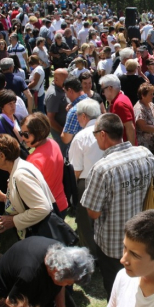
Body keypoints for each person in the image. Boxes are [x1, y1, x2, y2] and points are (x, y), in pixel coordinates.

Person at [80, 113, 154, 299]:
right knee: (142, 291)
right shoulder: (146, 155)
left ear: (102, 134)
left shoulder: (102, 169)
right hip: (144, 239)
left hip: (114, 247)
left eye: (94, 134)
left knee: (117, 293)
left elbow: (92, 212)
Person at [0, 237, 94, 307]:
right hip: (4, 296)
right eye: (69, 282)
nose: (70, 285)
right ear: (56, 271)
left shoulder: (61, 254)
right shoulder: (29, 276)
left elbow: (59, 287)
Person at [0, 134, 56, 240]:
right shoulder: (18, 169)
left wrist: (13, 221)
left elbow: (42, 208)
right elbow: (26, 201)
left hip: (39, 237)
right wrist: (5, 198)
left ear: (1, 155)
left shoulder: (21, 176)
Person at [68, 99, 103, 256]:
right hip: (109, 178)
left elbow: (76, 170)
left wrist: (73, 192)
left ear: (84, 116)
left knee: (86, 223)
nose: (77, 119)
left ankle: (91, 255)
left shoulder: (81, 137)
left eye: (77, 116)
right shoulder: (109, 131)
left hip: (87, 183)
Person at [20, 113, 68, 217]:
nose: (23, 138)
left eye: (26, 134)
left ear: (39, 132)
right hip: (61, 203)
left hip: (47, 211)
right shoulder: (52, 143)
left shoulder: (33, 161)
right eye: (21, 133)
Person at [100, 74, 136, 145]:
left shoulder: (119, 103)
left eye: (103, 90)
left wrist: (131, 150)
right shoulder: (119, 99)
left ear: (110, 88)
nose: (103, 93)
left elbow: (130, 128)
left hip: (125, 149)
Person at [45, 68, 69, 154]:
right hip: (60, 132)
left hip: (64, 130)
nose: (68, 81)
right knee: (64, 154)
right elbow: (50, 119)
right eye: (65, 80)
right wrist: (63, 131)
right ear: (56, 79)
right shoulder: (53, 95)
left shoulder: (60, 88)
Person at [61, 76, 88, 146]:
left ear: (70, 91)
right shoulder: (94, 103)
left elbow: (66, 139)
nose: (66, 95)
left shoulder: (74, 111)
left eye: (65, 92)